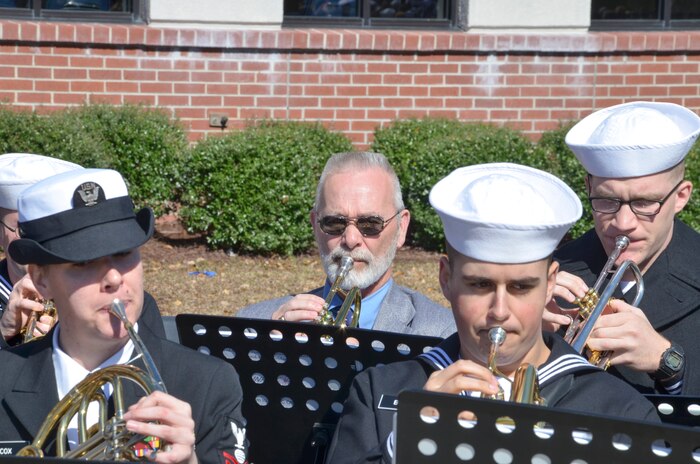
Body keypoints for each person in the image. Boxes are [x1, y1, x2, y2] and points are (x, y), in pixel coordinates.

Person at [325, 163, 660, 464]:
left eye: (520, 288)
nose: (499, 312)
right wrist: (412, 441)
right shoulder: (377, 390)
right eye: (480, 285)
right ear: (446, 279)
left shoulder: (621, 411)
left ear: (550, 283)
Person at [0, 168, 249, 463]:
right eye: (85, 262)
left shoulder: (206, 382)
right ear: (41, 279)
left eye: (124, 253)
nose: (115, 278)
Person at [549, 101, 700, 396]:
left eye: (644, 203)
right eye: (607, 201)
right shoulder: (551, 272)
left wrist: (668, 362)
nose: (623, 222)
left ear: (681, 197)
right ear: (589, 189)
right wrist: (527, 335)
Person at [237, 151, 455, 338]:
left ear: (401, 228)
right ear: (315, 225)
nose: (351, 239)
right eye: (333, 223)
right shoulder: (254, 323)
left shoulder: (442, 332)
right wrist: (269, 350)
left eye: (370, 224)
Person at [0, 153, 167, 348]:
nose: (39, 243)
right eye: (22, 230)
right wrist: (4, 335)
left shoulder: (133, 303)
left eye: (57, 234)